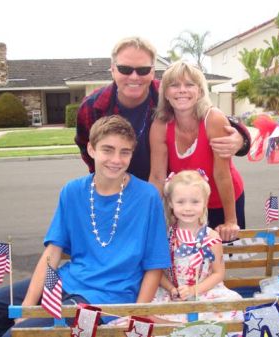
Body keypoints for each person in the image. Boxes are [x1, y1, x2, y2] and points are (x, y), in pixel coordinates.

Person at [0, 115, 171, 337]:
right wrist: (28, 307)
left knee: (18, 335)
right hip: (67, 281)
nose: (116, 159)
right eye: (108, 149)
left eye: (125, 152)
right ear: (91, 149)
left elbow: (155, 264)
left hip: (109, 297)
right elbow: (53, 251)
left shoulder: (147, 196)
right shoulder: (73, 191)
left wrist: (138, 313)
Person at [75, 36, 251, 181]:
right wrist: (104, 172)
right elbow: (85, 146)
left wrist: (241, 139)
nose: (134, 77)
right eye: (125, 69)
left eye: (143, 70)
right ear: (113, 70)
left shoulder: (171, 95)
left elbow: (211, 114)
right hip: (114, 187)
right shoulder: (92, 108)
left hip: (167, 192)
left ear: (152, 72)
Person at [149, 61, 245, 243]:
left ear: (200, 91)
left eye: (189, 85)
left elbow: (222, 173)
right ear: (166, 93)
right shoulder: (160, 125)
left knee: (223, 258)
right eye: (174, 85)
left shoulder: (213, 118)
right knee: (187, 257)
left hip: (221, 201)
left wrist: (231, 221)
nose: (182, 90)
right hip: (186, 203)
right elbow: (157, 176)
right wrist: (146, 216)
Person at [152, 170, 244, 323]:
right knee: (154, 313)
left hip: (204, 291)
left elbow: (218, 273)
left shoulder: (211, 237)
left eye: (195, 202)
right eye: (181, 202)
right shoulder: (165, 236)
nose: (188, 208)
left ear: (205, 202)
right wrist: (171, 289)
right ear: (170, 203)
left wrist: (194, 290)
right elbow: (158, 271)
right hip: (172, 293)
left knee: (230, 308)